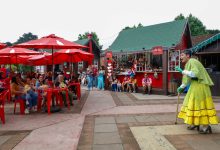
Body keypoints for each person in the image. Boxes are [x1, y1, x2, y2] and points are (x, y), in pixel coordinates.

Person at [175, 50, 218, 134]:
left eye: (182, 55)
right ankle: (195, 123)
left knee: (200, 104)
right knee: (192, 103)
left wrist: (182, 71)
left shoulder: (193, 61)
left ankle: (206, 126)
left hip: (200, 85)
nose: (180, 57)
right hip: (194, 85)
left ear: (188, 55)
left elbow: (195, 74)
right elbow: (187, 78)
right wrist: (181, 87)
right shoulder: (188, 64)